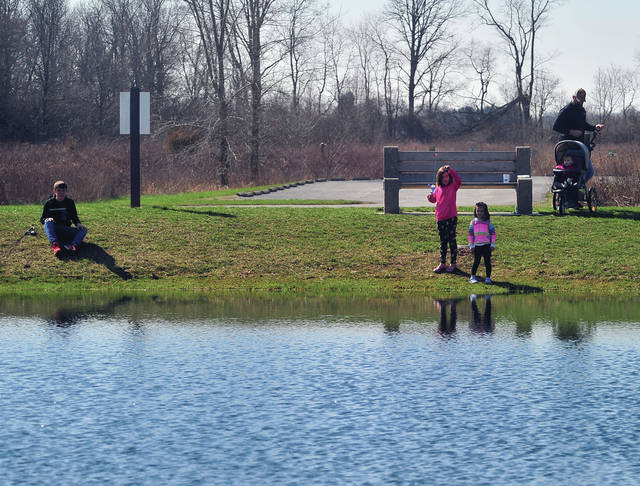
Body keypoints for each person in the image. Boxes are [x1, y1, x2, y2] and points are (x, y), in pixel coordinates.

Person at [552, 88, 604, 181]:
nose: (581, 103)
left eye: (583, 101)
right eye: (579, 100)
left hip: (579, 145)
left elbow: (583, 125)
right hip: (567, 146)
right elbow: (556, 126)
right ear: (573, 97)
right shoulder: (566, 110)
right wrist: (571, 132)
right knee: (567, 171)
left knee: (589, 171)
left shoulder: (582, 111)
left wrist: (594, 127)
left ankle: (579, 189)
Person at [427, 165, 462, 273]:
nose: (445, 179)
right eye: (443, 177)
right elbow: (434, 200)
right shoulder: (438, 188)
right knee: (443, 241)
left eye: (447, 176)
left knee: (452, 240)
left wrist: (451, 170)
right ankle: (442, 263)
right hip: (440, 217)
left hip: (451, 217)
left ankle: (453, 263)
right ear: (439, 178)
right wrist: (430, 197)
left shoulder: (453, 186)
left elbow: (459, 180)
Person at [40, 181, 88, 256]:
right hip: (54, 230)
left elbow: (74, 217)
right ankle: (55, 245)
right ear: (54, 191)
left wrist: (78, 224)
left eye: (63, 191)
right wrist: (46, 219)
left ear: (66, 191)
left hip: (66, 229)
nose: (61, 193)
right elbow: (42, 219)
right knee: (47, 223)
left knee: (84, 230)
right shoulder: (49, 203)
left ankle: (73, 246)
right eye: (59, 190)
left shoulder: (70, 202)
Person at [468, 202, 496, 284]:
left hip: (487, 246)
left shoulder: (488, 222)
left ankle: (488, 278)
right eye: (478, 211)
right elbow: (470, 234)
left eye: (481, 211)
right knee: (476, 261)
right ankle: (472, 277)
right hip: (477, 246)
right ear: (475, 211)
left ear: (485, 212)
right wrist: (471, 245)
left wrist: (492, 244)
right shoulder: (473, 222)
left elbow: (493, 233)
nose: (479, 213)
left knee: (487, 262)